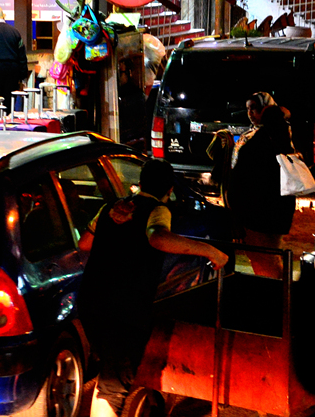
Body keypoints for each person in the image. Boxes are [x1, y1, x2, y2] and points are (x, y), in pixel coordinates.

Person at [76, 159, 228, 417]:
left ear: (140, 183)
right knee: (113, 386)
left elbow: (84, 243)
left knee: (110, 376)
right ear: (169, 190)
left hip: (91, 303)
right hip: (123, 309)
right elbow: (157, 237)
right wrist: (210, 251)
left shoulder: (112, 207)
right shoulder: (158, 209)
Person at [222, 92, 296, 279]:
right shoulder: (281, 137)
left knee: (264, 261)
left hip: (259, 213)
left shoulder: (259, 142)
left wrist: (236, 216)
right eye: (248, 109)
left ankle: (278, 293)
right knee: (269, 258)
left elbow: (242, 179)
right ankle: (283, 291)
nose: (250, 113)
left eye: (254, 108)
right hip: (275, 211)